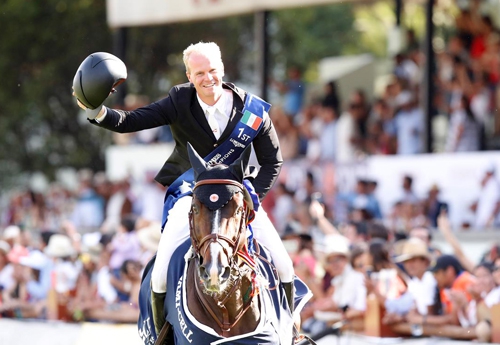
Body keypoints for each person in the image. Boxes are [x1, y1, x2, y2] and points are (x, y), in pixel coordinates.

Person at [75, 42, 294, 335]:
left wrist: (250, 197)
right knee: (162, 269)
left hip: (237, 200)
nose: (208, 78)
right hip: (192, 195)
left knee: (284, 264)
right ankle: (162, 335)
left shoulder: (252, 110)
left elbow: (272, 162)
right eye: (199, 72)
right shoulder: (178, 101)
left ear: (222, 69)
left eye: (212, 70)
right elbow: (131, 121)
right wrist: (97, 111)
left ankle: (291, 332)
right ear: (189, 76)